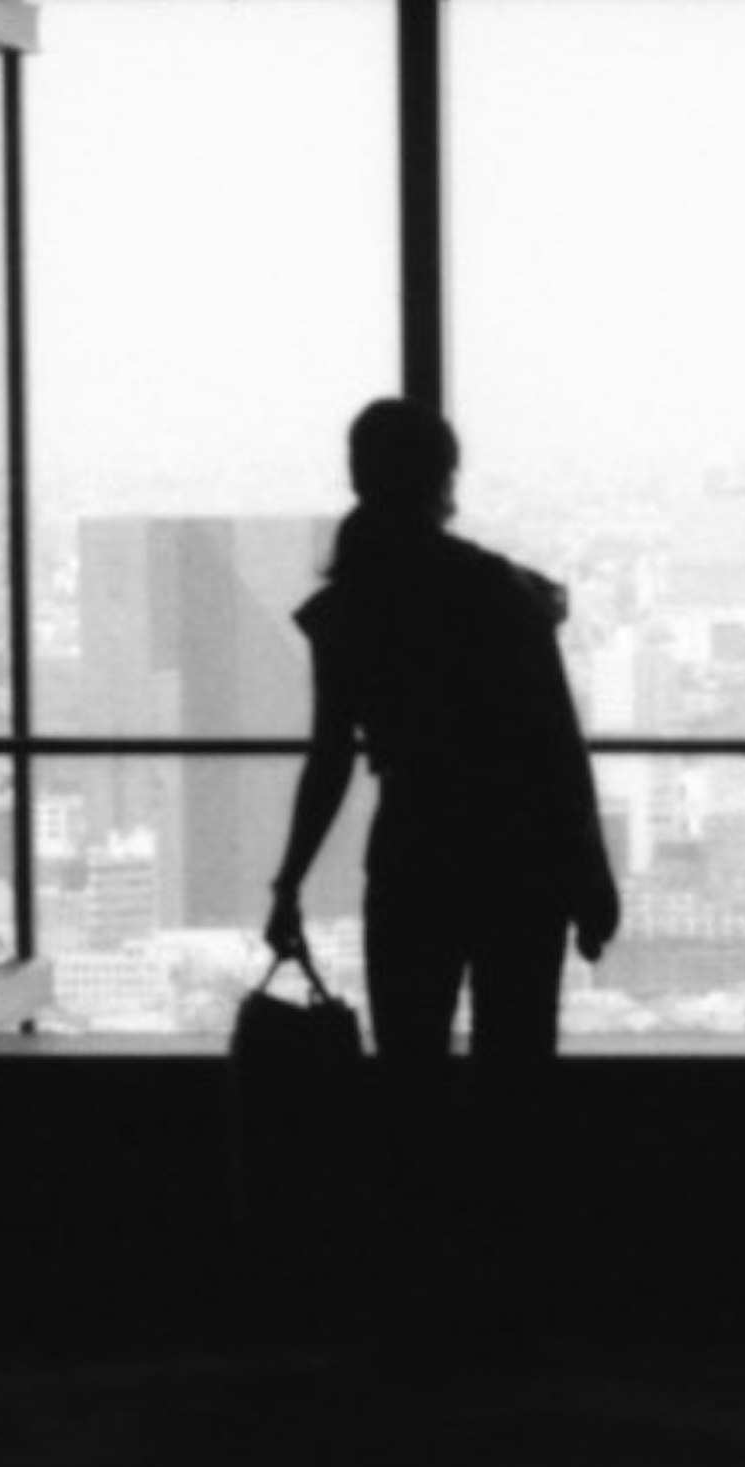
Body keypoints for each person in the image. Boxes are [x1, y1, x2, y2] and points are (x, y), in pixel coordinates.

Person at [264, 397, 620, 1349]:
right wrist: (591, 874)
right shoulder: (500, 592)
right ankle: (515, 1290)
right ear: (446, 480)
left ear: (357, 475)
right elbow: (555, 741)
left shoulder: (350, 605)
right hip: (520, 856)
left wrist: (288, 880)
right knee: (518, 1074)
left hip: (416, 849)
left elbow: (331, 756)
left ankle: (417, 1291)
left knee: (412, 1074)